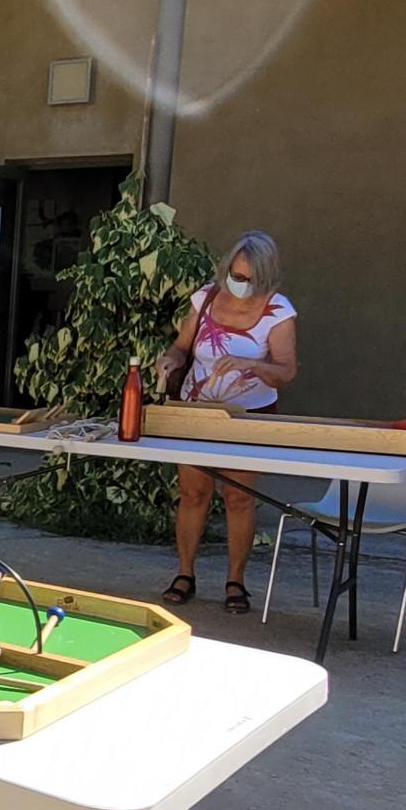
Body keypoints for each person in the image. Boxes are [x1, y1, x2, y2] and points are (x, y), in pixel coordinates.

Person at [153, 230, 299, 614]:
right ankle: (184, 573)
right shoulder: (205, 298)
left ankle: (236, 581)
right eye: (235, 274)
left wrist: (251, 364)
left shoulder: (278, 311)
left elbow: (286, 372)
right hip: (197, 412)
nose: (240, 282)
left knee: (238, 497)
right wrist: (169, 361)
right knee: (193, 494)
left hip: (248, 416)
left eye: (249, 277)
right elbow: (181, 348)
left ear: (265, 275)